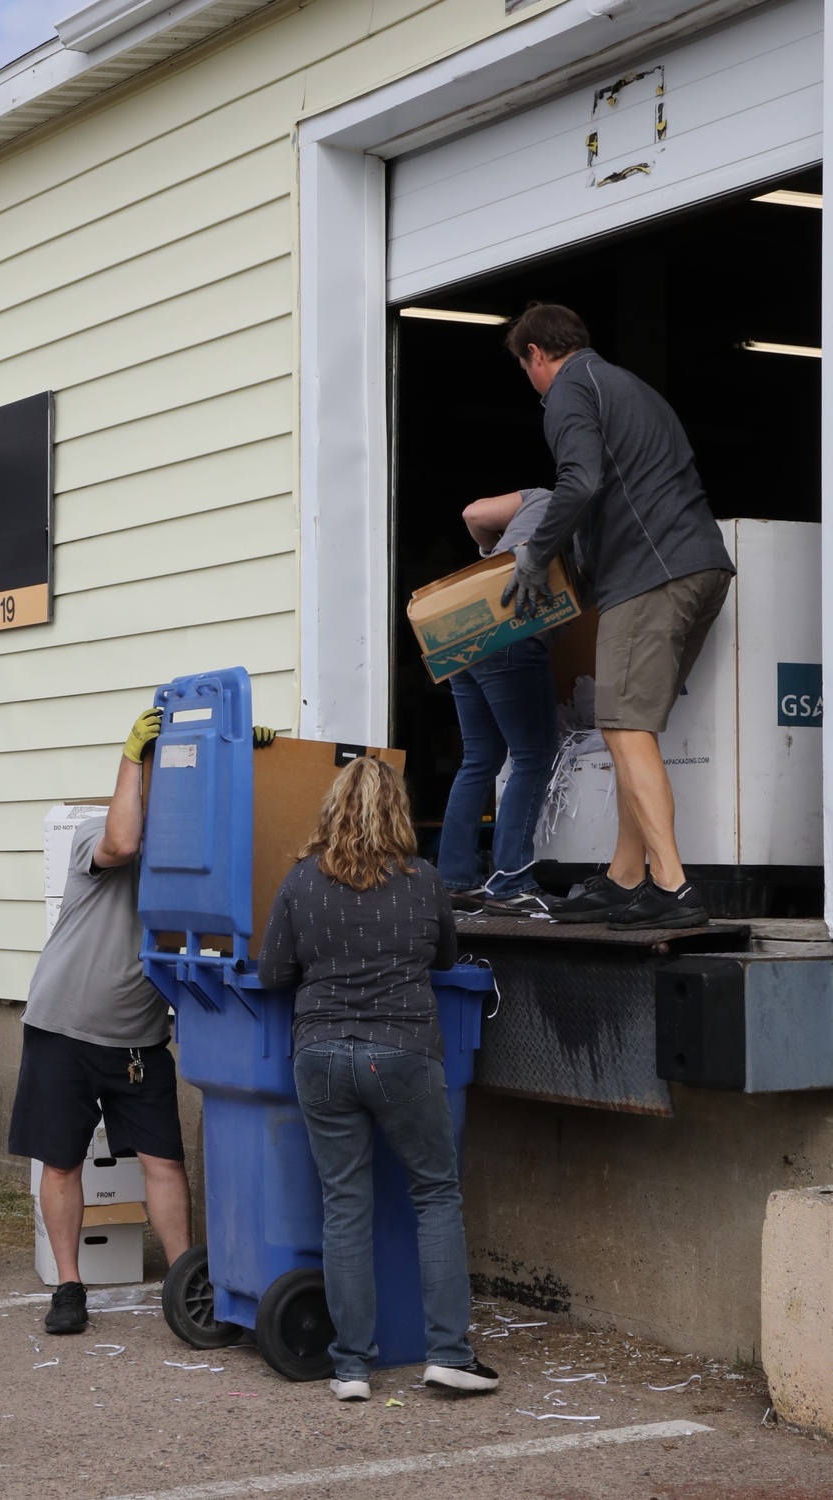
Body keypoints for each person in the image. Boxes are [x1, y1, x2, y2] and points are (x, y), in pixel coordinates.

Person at [257, 756, 498, 1401]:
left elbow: (273, 973)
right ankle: (448, 1353)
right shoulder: (424, 882)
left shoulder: (301, 881)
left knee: (345, 1206)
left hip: (322, 1055)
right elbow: (446, 958)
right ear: (397, 813)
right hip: (404, 1053)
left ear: (333, 808)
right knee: (436, 1196)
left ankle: (351, 1368)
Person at [501, 303, 734, 929]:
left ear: (536, 356)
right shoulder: (631, 387)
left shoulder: (570, 389)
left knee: (625, 727)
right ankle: (626, 875)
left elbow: (578, 482)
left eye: (525, 367)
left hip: (652, 575)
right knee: (630, 728)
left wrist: (534, 556)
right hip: (701, 567)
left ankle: (674, 886)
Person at [9, 707, 192, 1335]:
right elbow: (123, 842)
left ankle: (184, 1283)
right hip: (64, 1026)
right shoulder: (95, 835)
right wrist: (130, 757)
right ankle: (69, 1288)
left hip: (139, 1040)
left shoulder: (192, 856)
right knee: (62, 1161)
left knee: (164, 1161)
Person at [436, 487, 558, 916]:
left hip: (462, 629)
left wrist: (493, 549)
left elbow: (473, 513)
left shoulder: (539, 498)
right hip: (510, 630)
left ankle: (454, 882)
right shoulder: (583, 513)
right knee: (534, 754)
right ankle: (510, 882)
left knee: (480, 757)